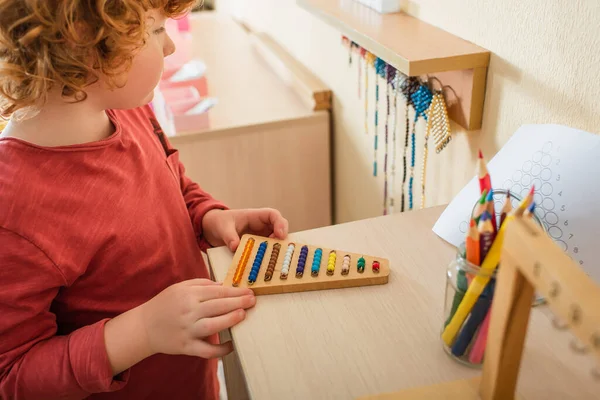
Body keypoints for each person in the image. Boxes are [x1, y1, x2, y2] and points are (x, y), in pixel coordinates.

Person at [0, 1, 289, 399]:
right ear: (85, 43)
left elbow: (173, 181)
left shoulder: (128, 110)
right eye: (155, 31)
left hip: (192, 383)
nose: (169, 46)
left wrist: (207, 216)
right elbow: (13, 376)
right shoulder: (13, 208)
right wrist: (142, 331)